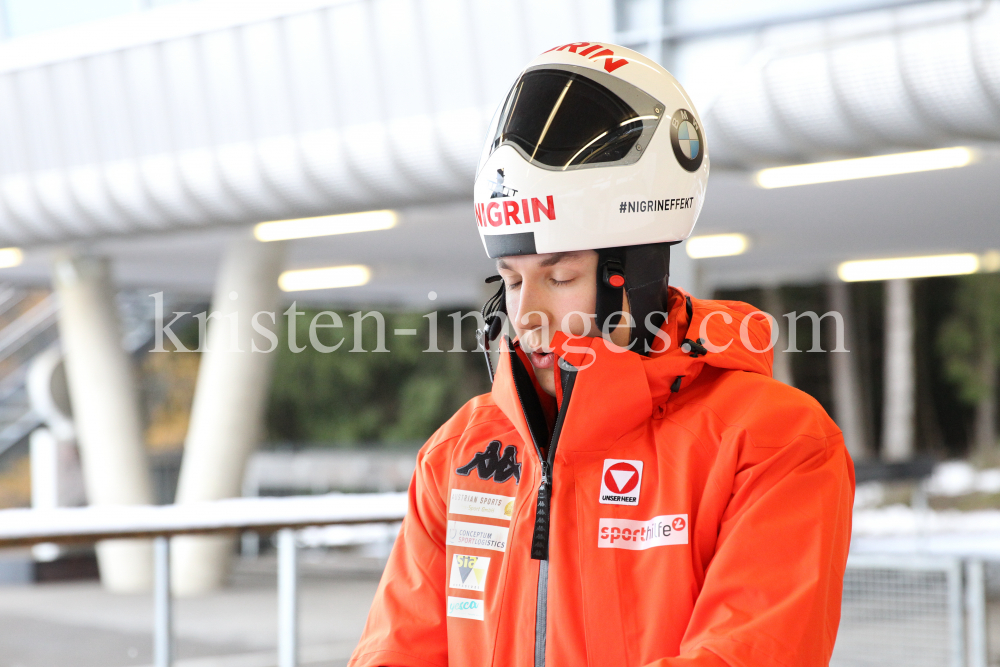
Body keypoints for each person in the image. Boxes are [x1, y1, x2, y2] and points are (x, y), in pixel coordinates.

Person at [349, 42, 854, 667]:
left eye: (559, 278)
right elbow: (396, 652)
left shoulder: (772, 443)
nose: (525, 314)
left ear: (634, 278)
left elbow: (746, 653)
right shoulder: (460, 455)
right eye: (510, 279)